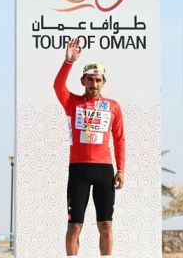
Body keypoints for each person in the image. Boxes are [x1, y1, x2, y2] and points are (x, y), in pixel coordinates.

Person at [54, 38, 125, 258]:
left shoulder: (113, 106)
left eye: (98, 80)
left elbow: (119, 139)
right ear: (83, 81)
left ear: (104, 82)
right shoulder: (72, 102)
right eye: (90, 80)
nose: (94, 84)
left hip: (104, 169)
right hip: (78, 170)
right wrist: (68, 62)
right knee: (74, 226)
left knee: (106, 225)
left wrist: (121, 170)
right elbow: (58, 86)